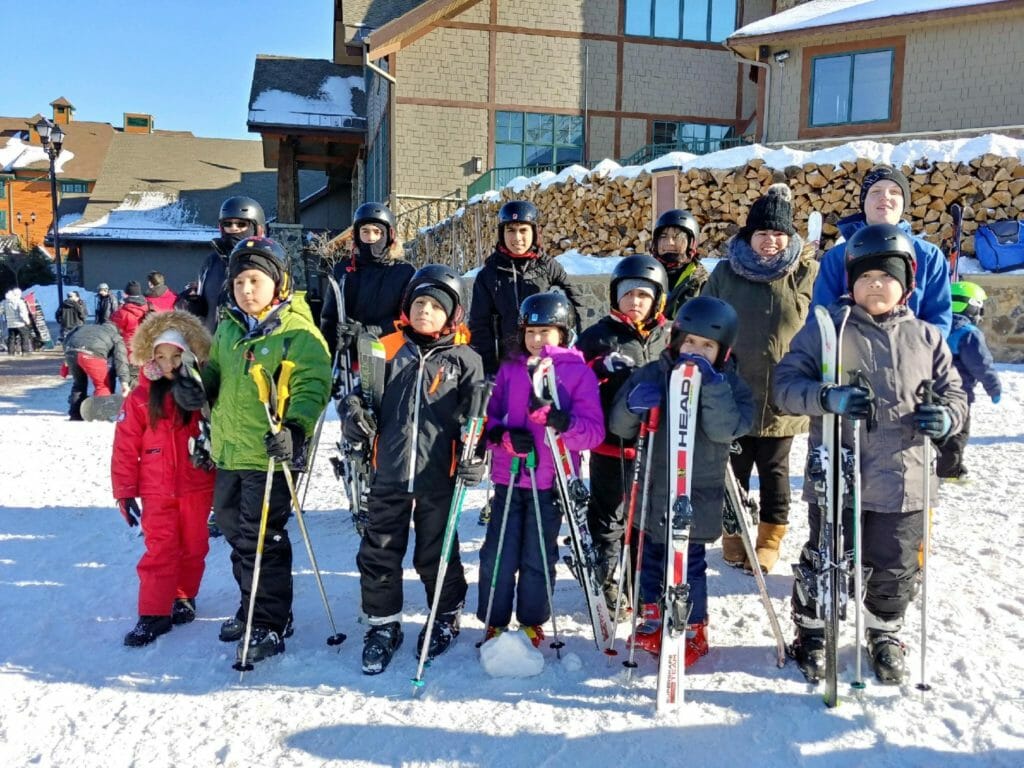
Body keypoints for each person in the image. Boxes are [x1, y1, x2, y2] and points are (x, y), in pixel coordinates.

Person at [774, 223, 967, 685]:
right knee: (826, 559)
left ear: (906, 284)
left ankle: (884, 633)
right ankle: (814, 633)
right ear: (851, 283)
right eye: (865, 277)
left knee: (896, 566)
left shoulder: (926, 337)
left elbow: (955, 393)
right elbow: (784, 386)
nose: (875, 285)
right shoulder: (827, 332)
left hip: (907, 479)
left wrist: (947, 418)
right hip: (841, 475)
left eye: (886, 277)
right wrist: (825, 397)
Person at [189, 236, 331, 664]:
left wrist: (295, 428)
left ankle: (270, 619)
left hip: (271, 455)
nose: (246, 291)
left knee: (262, 538)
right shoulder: (230, 328)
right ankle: (251, 604)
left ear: (279, 282)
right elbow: (216, 375)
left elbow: (312, 386)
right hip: (231, 452)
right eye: (238, 283)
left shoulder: (298, 333)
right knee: (235, 532)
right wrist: (195, 386)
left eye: (255, 281)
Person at [339, 265, 484, 674]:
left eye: (436, 306)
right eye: (419, 302)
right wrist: (354, 417)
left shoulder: (465, 359)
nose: (425, 311)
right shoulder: (383, 348)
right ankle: (383, 625)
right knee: (380, 551)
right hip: (388, 471)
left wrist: (477, 456)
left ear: (452, 314)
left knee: (435, 553)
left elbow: (478, 419)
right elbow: (356, 398)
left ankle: (444, 612)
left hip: (439, 475)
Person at [608, 296, 753, 666]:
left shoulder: (730, 383)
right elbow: (619, 427)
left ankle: (693, 624)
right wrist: (632, 406)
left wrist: (714, 387)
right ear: (675, 340)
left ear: (722, 352)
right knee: (652, 555)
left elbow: (726, 430)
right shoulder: (653, 373)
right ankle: (652, 614)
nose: (696, 351)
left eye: (708, 346)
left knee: (690, 563)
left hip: (697, 491)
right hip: (654, 487)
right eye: (691, 342)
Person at [702, 183, 819, 573]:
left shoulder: (804, 272)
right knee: (733, 471)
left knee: (775, 471)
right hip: (733, 389)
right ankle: (733, 536)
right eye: (763, 234)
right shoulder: (724, 272)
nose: (770, 242)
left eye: (778, 234)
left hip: (783, 390)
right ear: (748, 236)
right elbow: (706, 322)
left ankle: (769, 540)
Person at [477, 291, 604, 645]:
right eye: (530, 332)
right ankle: (494, 618)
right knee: (497, 555)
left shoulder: (577, 372)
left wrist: (563, 422)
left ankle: (532, 620)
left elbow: (593, 433)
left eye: (545, 332)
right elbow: (487, 420)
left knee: (537, 556)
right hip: (508, 477)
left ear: (562, 333)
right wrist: (502, 437)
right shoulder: (509, 369)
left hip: (550, 483)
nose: (536, 340)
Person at [111, 310, 216, 647]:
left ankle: (183, 595)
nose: (168, 362)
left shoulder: (202, 393)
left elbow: (219, 432)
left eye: (176, 355)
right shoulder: (141, 397)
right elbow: (125, 446)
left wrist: (203, 404)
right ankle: (154, 612)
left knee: (194, 545)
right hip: (157, 489)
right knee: (160, 548)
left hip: (197, 484)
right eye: (160, 355)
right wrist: (125, 491)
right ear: (150, 356)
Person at [574, 255, 670, 615]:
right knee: (609, 517)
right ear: (615, 297)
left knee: (644, 518)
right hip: (610, 447)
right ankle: (606, 578)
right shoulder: (598, 336)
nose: (635, 302)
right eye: (628, 295)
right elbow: (572, 381)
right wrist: (599, 368)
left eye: (643, 296)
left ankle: (639, 581)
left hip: (654, 446)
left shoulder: (670, 336)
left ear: (657, 299)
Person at [811, 165, 952, 336]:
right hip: (851, 356)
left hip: (910, 355)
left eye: (894, 192)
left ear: (904, 203)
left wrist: (923, 354)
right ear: (864, 202)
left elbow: (939, 319)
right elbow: (819, 320)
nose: (885, 197)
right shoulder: (836, 257)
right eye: (876, 191)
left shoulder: (929, 256)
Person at [468, 200, 586, 376]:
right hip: (508, 364)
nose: (517, 238)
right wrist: (489, 370)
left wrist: (572, 347)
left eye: (523, 230)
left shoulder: (549, 267)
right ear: (502, 233)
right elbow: (479, 326)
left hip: (548, 362)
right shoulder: (489, 274)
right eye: (511, 230)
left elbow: (576, 306)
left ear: (534, 232)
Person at [318, 202, 415, 359]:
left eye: (377, 232)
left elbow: (407, 319)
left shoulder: (404, 273)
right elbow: (329, 317)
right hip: (348, 356)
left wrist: (367, 332)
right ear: (357, 235)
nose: (371, 238)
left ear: (389, 235)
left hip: (390, 355)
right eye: (365, 232)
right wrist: (335, 340)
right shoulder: (343, 271)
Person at [936, 281, 1001, 482]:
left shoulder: (935, 327)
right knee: (957, 435)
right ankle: (951, 472)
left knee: (935, 432)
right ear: (972, 306)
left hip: (930, 391)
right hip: (959, 396)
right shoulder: (969, 334)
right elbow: (982, 364)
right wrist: (994, 387)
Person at [177, 196, 266, 332]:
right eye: (227, 224)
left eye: (241, 224)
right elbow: (207, 307)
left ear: (257, 229)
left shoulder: (265, 262)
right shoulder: (212, 261)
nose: (233, 228)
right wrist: (192, 304)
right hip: (212, 344)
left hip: (250, 344)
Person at [650, 209, 709, 318]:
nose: (670, 243)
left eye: (677, 237)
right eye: (663, 237)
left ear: (691, 243)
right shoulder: (643, 274)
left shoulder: (702, 281)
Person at [110, 281, 154, 388]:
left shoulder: (122, 312)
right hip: (146, 349)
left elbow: (113, 329)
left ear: (126, 294)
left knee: (132, 380)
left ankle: (134, 402)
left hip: (129, 351)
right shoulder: (148, 307)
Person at [2, 287, 34, 355]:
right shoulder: (20, 302)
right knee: (24, 337)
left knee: (11, 338)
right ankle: (25, 352)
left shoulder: (5, 302)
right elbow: (23, 313)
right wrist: (27, 321)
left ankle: (11, 352)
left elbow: (1, 310)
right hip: (20, 323)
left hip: (10, 324)